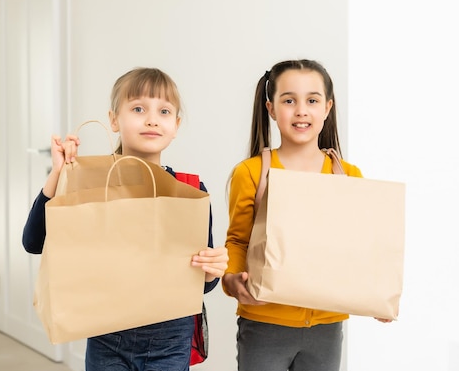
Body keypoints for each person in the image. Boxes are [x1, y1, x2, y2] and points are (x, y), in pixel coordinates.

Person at [22, 67, 229, 371]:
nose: (152, 119)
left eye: (164, 111)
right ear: (114, 120)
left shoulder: (190, 191)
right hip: (108, 338)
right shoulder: (91, 185)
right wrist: (58, 174)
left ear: (176, 125)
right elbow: (34, 242)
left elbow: (199, 286)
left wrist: (212, 272)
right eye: (138, 108)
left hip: (171, 340)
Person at [222, 59, 392, 371]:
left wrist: (378, 292)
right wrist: (231, 279)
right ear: (271, 109)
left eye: (312, 100)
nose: (301, 110)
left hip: (327, 329)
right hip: (264, 323)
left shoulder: (350, 175)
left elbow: (360, 247)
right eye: (289, 101)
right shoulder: (251, 172)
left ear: (328, 108)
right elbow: (237, 241)